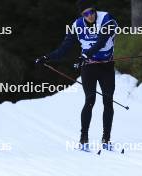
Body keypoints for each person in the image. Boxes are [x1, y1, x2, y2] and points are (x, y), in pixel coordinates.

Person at [35, 0, 118, 150]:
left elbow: (101, 41)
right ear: (82, 15)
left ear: (95, 10)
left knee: (108, 100)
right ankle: (83, 139)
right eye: (86, 13)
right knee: (90, 100)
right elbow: (64, 48)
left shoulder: (107, 19)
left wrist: (85, 55)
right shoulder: (77, 25)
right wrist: (46, 58)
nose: (90, 15)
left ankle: (106, 139)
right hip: (89, 67)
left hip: (106, 66)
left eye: (92, 11)